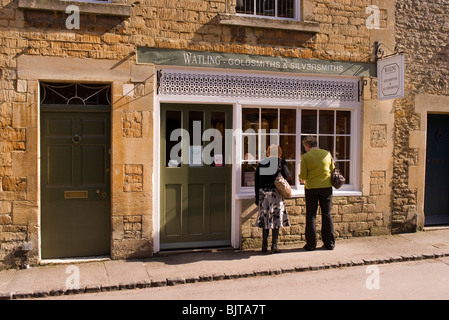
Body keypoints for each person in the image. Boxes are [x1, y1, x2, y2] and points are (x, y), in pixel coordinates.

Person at [299, 136, 336, 251]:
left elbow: (303, 176)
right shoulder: (327, 154)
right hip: (326, 187)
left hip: (311, 189)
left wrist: (300, 178)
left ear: (307, 145)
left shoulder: (305, 157)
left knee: (311, 215)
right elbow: (333, 169)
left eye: (305, 146)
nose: (304, 148)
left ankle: (311, 245)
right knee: (327, 214)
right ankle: (329, 243)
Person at [254, 145, 292, 254]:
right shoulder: (281, 162)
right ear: (279, 152)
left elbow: (257, 182)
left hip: (263, 194)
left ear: (268, 152)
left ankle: (264, 245)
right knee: (276, 219)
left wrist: (257, 197)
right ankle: (274, 246)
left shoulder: (262, 163)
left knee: (265, 219)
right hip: (276, 193)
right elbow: (287, 175)